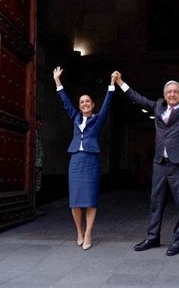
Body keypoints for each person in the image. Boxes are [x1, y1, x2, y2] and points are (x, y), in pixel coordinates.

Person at [112, 49, 179, 256]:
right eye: (168, 92)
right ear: (164, 95)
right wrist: (120, 83)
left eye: (176, 92)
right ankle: (153, 238)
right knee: (156, 201)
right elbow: (138, 98)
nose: (172, 94)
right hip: (160, 163)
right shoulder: (157, 107)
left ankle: (178, 241)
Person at [53, 66, 116, 250]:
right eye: (82, 102)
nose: (85, 104)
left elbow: (107, 104)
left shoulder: (98, 119)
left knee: (90, 199)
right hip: (76, 161)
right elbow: (65, 102)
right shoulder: (75, 118)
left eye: (88, 101)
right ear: (79, 106)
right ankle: (79, 231)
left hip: (91, 162)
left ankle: (88, 233)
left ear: (93, 104)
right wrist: (58, 81)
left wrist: (112, 85)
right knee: (75, 200)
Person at [34, 115, 45, 216]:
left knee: (37, 187)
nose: (40, 124)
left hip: (38, 164)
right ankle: (32, 210)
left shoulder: (37, 134)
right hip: (35, 165)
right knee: (33, 187)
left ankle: (34, 209)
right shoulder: (32, 134)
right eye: (39, 122)